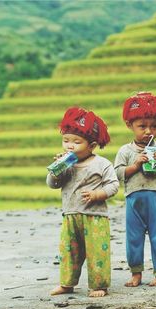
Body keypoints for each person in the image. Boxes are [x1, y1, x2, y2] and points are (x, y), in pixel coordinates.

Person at [46, 107, 119, 297]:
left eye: (76, 142)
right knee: (68, 252)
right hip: (70, 215)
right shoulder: (66, 164)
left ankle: (99, 285)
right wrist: (56, 170)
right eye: (66, 140)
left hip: (95, 217)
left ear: (92, 145)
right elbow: (53, 184)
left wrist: (97, 194)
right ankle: (67, 283)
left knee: (97, 253)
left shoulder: (101, 164)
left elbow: (113, 185)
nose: (69, 146)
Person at [114, 92, 156, 287]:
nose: (148, 131)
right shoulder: (126, 151)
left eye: (154, 126)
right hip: (134, 199)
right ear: (130, 125)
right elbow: (117, 173)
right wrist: (135, 165)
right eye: (142, 126)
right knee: (133, 237)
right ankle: (136, 273)